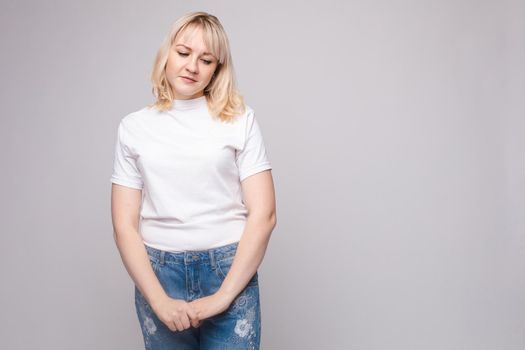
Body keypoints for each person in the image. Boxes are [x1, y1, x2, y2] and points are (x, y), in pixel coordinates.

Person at [109, 11, 276, 350]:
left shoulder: (240, 120)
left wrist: (224, 296)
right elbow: (124, 224)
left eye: (206, 59)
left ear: (217, 69)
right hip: (159, 274)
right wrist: (157, 300)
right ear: (167, 54)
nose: (192, 66)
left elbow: (265, 214)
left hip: (229, 269)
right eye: (183, 53)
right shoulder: (133, 127)